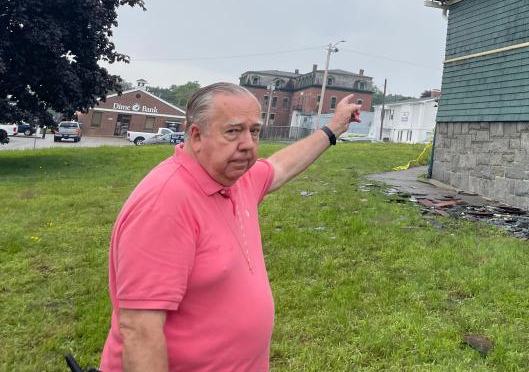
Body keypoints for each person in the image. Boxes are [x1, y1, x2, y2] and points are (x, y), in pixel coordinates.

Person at [99, 82, 360, 372]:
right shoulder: (165, 203)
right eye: (233, 131)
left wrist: (334, 127)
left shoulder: (237, 178)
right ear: (196, 135)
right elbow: (140, 331)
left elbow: (281, 166)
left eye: (255, 131)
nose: (248, 143)